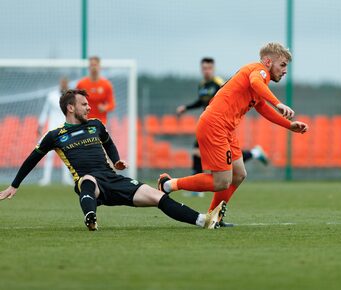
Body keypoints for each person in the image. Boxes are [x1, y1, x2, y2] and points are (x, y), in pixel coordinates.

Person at [0, 89, 226, 231]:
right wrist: (14, 185)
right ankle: (91, 217)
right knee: (87, 180)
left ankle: (202, 221)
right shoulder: (54, 135)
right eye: (83, 104)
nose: (89, 107)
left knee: (156, 195)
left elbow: (108, 143)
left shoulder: (96, 125)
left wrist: (116, 161)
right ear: (70, 108)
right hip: (91, 185)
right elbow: (32, 158)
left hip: (113, 179)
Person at [158, 42, 308, 226]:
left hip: (226, 128)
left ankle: (214, 218)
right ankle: (168, 185)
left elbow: (261, 106)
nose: (285, 70)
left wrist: (289, 125)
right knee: (221, 181)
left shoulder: (260, 78)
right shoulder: (259, 71)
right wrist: (278, 103)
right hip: (215, 125)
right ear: (268, 62)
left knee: (239, 174)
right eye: (283, 65)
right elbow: (255, 82)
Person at [176, 57, 269, 197]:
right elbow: (200, 102)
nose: (206, 71)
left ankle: (254, 153)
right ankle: (254, 153)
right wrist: (186, 108)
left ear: (213, 69)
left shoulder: (218, 83)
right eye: (204, 68)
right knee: (199, 153)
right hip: (209, 123)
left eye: (209, 68)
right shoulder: (202, 85)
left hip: (220, 123)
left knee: (223, 162)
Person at [38, 77, 73, 186]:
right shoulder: (52, 95)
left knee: (67, 153)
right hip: (52, 128)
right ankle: (46, 178)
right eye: (62, 82)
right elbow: (45, 110)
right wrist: (41, 124)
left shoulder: (72, 97)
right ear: (60, 83)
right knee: (49, 153)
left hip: (66, 128)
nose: (64, 84)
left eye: (65, 82)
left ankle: (66, 178)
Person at [76, 56, 115, 125]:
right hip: (84, 121)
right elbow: (75, 102)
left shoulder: (106, 85)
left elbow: (112, 104)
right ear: (89, 67)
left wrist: (105, 107)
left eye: (95, 65)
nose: (94, 67)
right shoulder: (81, 84)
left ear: (100, 67)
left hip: (101, 122)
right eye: (92, 65)